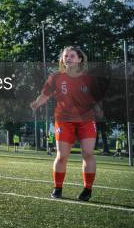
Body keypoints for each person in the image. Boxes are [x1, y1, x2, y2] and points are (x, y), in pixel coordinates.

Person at [31, 46, 102, 201]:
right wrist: (37, 103)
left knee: (88, 154)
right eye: (65, 56)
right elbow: (45, 95)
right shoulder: (56, 77)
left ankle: (87, 190)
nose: (67, 58)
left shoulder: (89, 79)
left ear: (79, 59)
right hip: (64, 120)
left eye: (71, 56)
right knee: (62, 155)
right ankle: (57, 188)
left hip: (86, 120)